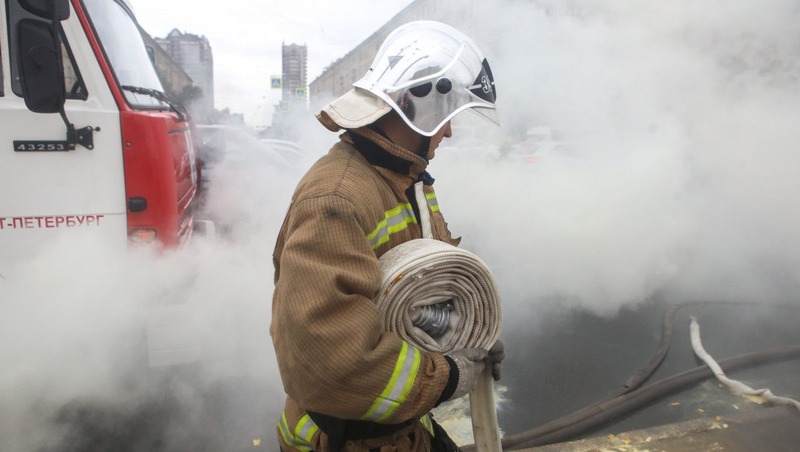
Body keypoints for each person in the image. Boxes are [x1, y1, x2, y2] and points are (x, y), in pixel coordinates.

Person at [270, 20, 505, 452]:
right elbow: (332, 363)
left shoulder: (407, 180)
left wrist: (472, 336)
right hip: (347, 441)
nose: (449, 131)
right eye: (447, 115)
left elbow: (427, 289)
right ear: (414, 105)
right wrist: (449, 374)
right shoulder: (335, 198)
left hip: (401, 432)